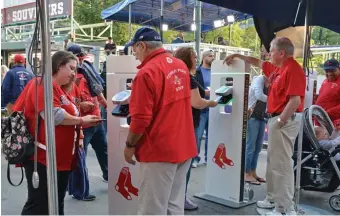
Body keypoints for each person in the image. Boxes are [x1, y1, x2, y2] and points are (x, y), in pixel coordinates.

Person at [224, 37, 306, 215]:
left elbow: (295, 100)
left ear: (281, 53)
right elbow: (259, 62)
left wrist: (279, 122)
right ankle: (273, 199)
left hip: (283, 120)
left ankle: (284, 208)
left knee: (281, 165)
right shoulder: (281, 68)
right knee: (274, 163)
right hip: (278, 119)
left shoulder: (293, 69)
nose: (269, 53)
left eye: (271, 49)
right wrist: (239, 55)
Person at [14, 51, 101, 215]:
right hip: (42, 158)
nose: (74, 73)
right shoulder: (41, 84)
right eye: (71, 68)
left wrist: (80, 133)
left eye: (75, 69)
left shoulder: (60, 89)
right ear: (59, 65)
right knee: (40, 204)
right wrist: (82, 121)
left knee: (55, 202)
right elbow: (54, 115)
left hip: (60, 158)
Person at [123, 26, 197, 215]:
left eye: (134, 48)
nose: (134, 54)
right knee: (174, 204)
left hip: (159, 150)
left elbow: (140, 119)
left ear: (141, 45)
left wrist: (129, 145)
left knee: (152, 208)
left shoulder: (146, 73)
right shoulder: (180, 65)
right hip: (185, 145)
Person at [174, 46, 218, 210]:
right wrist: (210, 102)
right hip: (188, 122)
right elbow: (197, 102)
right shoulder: (188, 77)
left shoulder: (176, 76)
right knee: (185, 162)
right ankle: (180, 199)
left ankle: (176, 199)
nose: (196, 60)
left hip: (178, 123)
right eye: (194, 57)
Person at [67, 45, 109, 183]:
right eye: (77, 57)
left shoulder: (87, 70)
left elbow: (97, 91)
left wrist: (106, 104)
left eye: (81, 56)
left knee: (103, 150)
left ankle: (109, 176)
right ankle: (79, 188)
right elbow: (62, 100)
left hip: (96, 119)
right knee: (79, 156)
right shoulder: (67, 75)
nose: (80, 59)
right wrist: (81, 105)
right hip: (81, 123)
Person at [193, 50, 215, 168]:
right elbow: (195, 87)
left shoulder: (216, 71)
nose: (213, 58)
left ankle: (209, 157)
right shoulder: (197, 71)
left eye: (213, 56)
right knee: (198, 135)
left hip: (212, 107)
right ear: (204, 57)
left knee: (211, 136)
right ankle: (195, 158)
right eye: (210, 56)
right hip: (201, 108)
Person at [245, 75, 269, 185]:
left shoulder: (272, 82)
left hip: (262, 116)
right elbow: (259, 96)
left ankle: (253, 171)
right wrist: (275, 99)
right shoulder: (259, 79)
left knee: (258, 147)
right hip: (252, 116)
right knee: (250, 146)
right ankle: (246, 173)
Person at [315, 59, 340, 125]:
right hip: (320, 120)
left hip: (334, 122)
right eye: (327, 71)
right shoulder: (325, 81)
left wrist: (327, 113)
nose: (329, 73)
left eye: (332, 71)